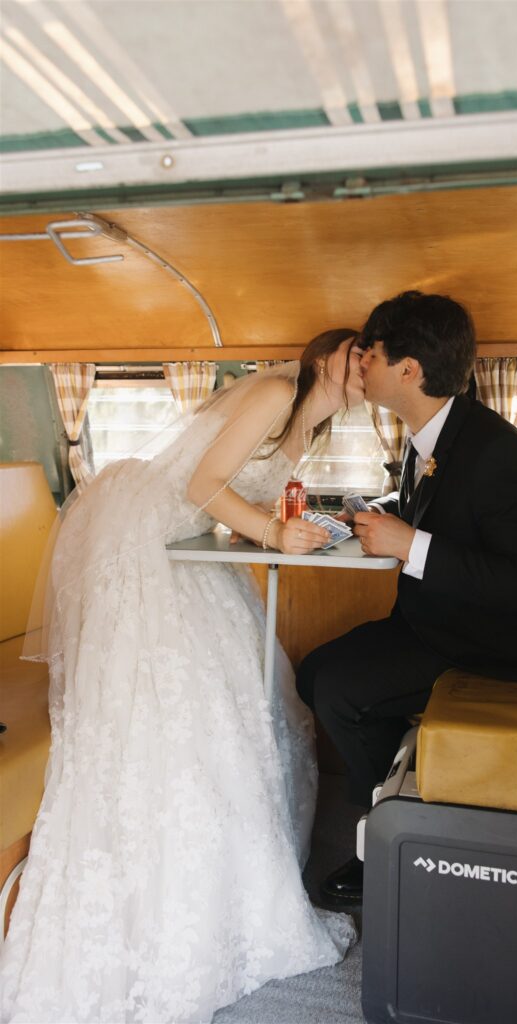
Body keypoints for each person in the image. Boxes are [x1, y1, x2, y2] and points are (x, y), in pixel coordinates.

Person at [0, 330, 364, 1024]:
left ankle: (237, 882)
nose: (366, 367)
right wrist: (270, 533)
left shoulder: (306, 426)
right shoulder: (276, 391)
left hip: (180, 544)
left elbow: (236, 497)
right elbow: (200, 486)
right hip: (140, 536)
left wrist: (303, 526)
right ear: (325, 358)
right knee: (188, 704)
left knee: (257, 697)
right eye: (357, 354)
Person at [296, 291, 517, 904]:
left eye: (373, 353)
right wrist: (384, 516)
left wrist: (409, 542)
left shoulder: (498, 454)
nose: (361, 362)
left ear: (409, 370)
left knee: (338, 688)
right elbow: (448, 514)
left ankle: (381, 842)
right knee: (315, 673)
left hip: (484, 646)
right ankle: (400, 796)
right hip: (429, 625)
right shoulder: (433, 434)